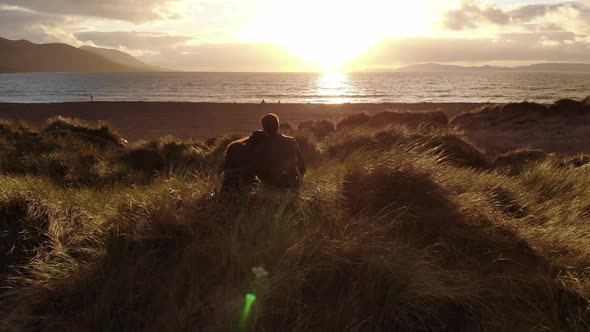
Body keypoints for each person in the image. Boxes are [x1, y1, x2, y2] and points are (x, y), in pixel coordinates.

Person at [257, 113, 306, 188]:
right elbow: (302, 165)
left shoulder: (261, 144)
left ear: (264, 128)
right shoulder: (291, 141)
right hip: (291, 185)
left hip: (270, 185)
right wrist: (299, 180)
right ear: (278, 126)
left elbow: (257, 169)